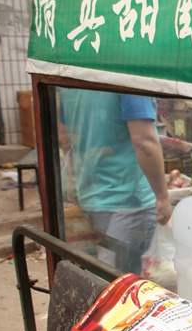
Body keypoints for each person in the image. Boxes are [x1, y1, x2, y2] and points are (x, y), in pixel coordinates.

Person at [59, 89, 172, 274]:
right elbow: (143, 141)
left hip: (90, 192)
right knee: (120, 277)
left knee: (106, 268)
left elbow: (66, 137)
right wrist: (162, 196)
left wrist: (75, 177)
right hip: (129, 197)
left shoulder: (74, 81)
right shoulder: (129, 79)